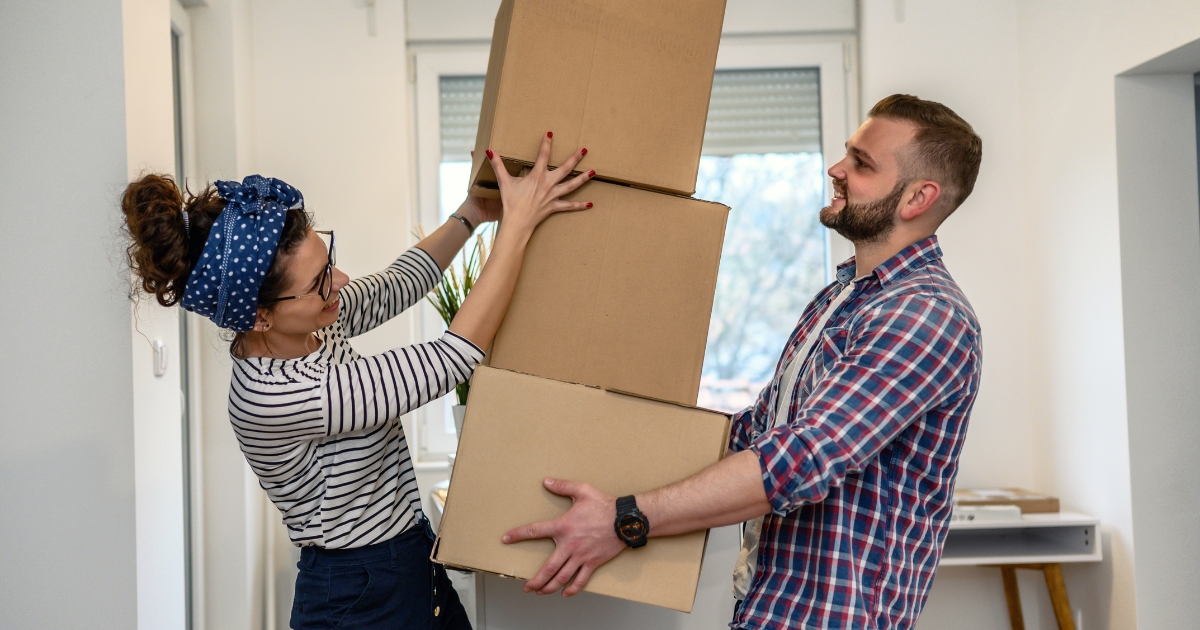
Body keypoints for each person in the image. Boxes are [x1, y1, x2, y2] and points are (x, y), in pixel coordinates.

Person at [502, 95, 985, 630]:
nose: (836, 169)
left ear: (918, 196)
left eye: (862, 163)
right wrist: (603, 432)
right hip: (767, 609)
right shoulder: (839, 299)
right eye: (847, 153)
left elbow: (800, 458)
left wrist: (625, 519)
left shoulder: (924, 313)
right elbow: (754, 433)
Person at [121, 133, 593, 630]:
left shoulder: (313, 321)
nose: (341, 282)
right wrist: (517, 226)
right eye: (320, 281)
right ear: (260, 316)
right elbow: (448, 361)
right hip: (358, 593)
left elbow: (396, 284)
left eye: (329, 261)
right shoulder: (272, 394)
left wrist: (470, 214)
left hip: (408, 558)